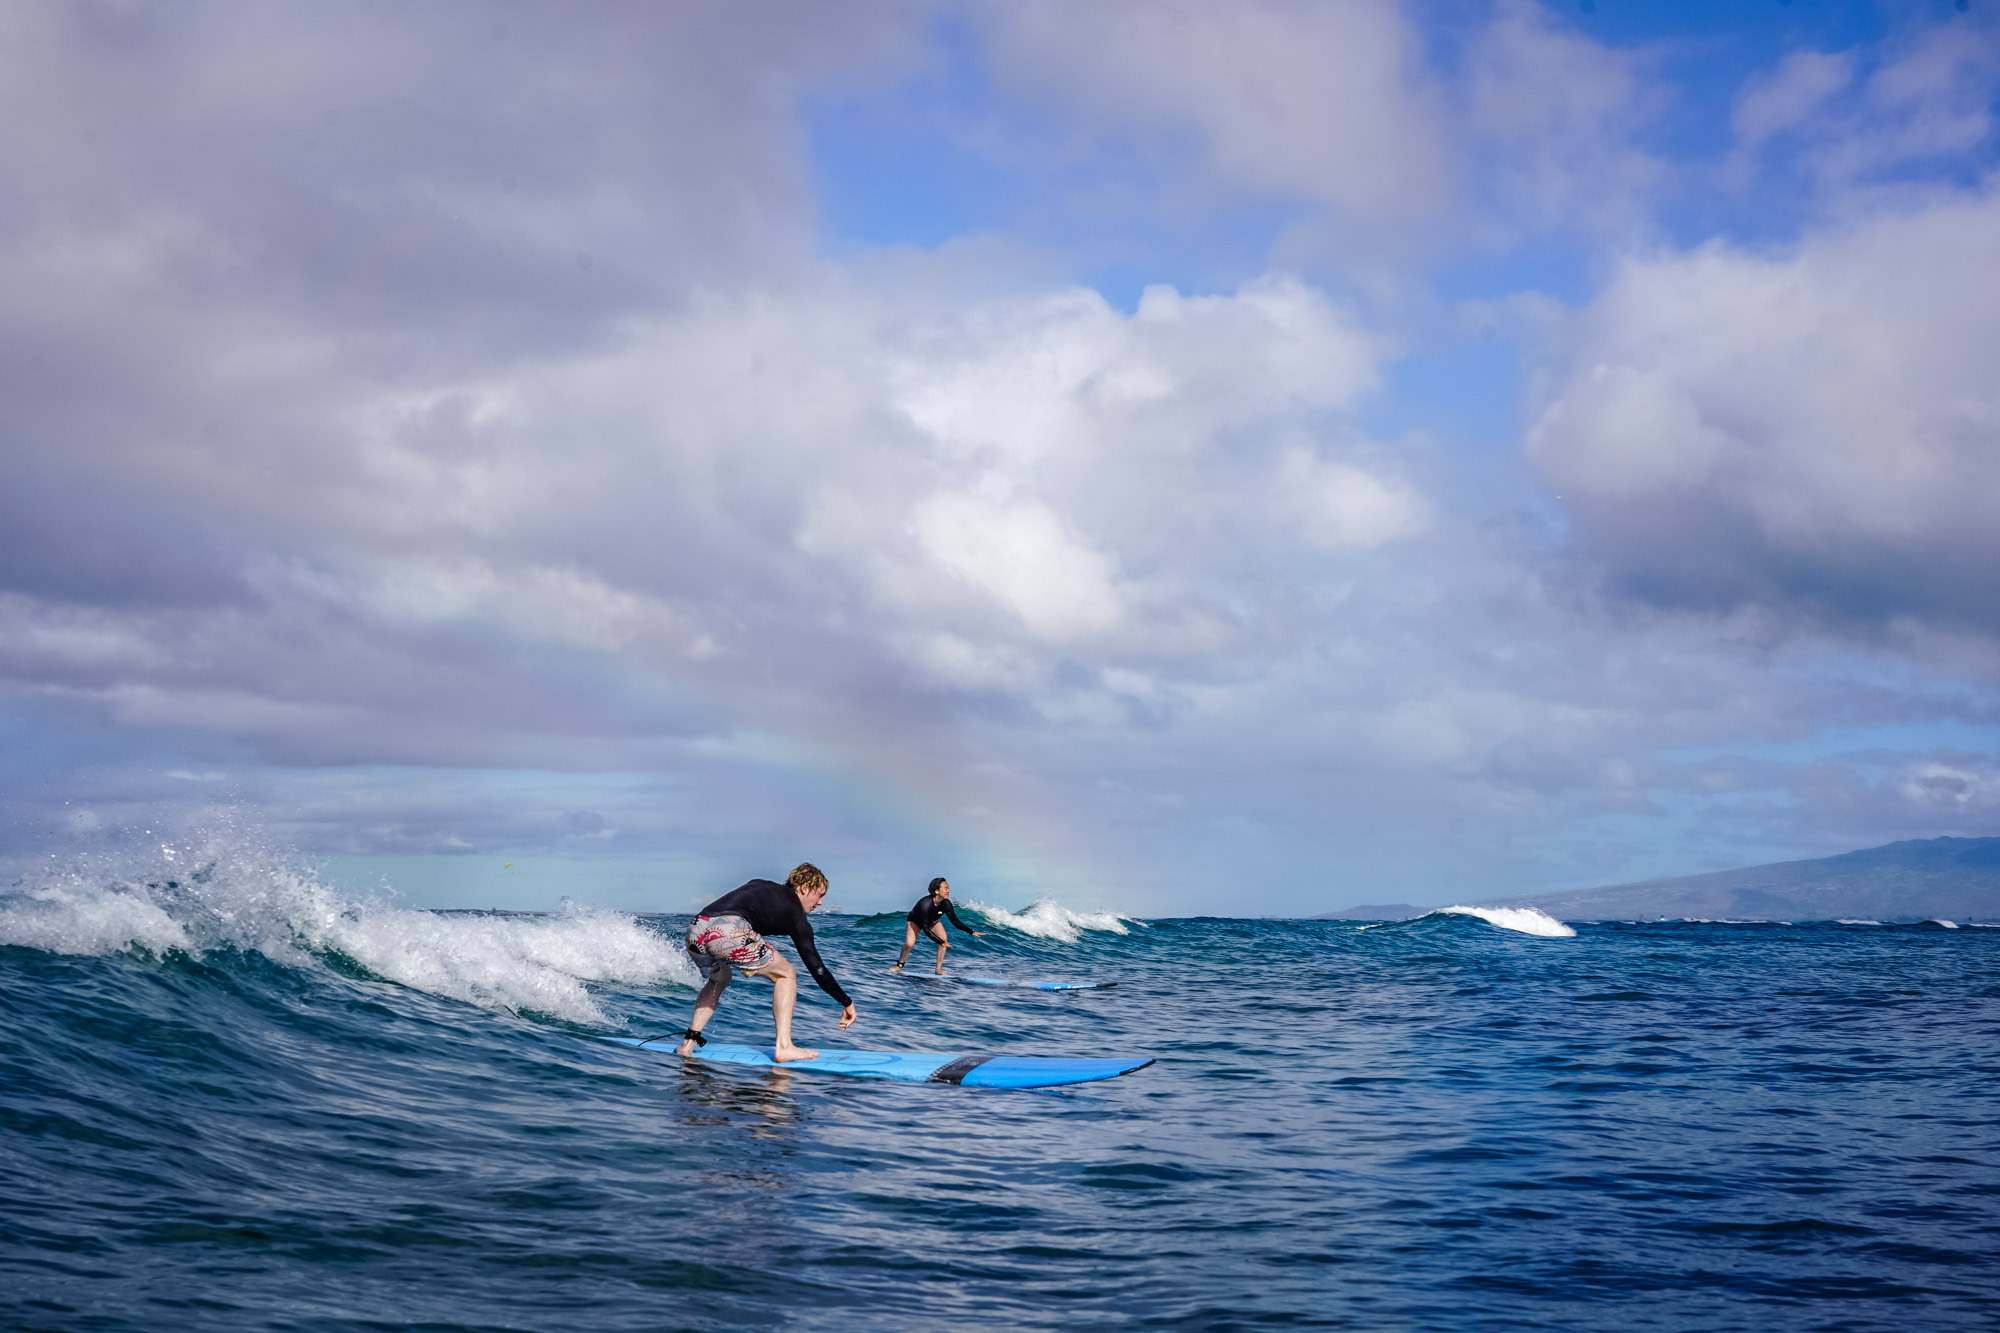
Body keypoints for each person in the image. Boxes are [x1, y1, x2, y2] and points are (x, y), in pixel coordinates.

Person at [676, 863, 856, 1062]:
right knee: (786, 973)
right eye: (820, 895)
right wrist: (846, 1002)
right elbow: (817, 969)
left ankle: (688, 1044)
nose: (820, 903)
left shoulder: (759, 884)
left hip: (697, 928)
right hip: (728, 929)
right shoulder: (796, 916)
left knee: (720, 977)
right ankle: (784, 1047)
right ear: (805, 888)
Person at [892, 877, 985, 975]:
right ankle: (899, 965)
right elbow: (925, 928)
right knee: (909, 944)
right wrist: (940, 942)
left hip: (932, 921)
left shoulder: (946, 903)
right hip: (915, 921)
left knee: (944, 938)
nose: (948, 891)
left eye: (948, 888)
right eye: (945, 888)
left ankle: (938, 969)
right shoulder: (925, 904)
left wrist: (971, 931)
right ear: (936, 891)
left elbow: (955, 921)